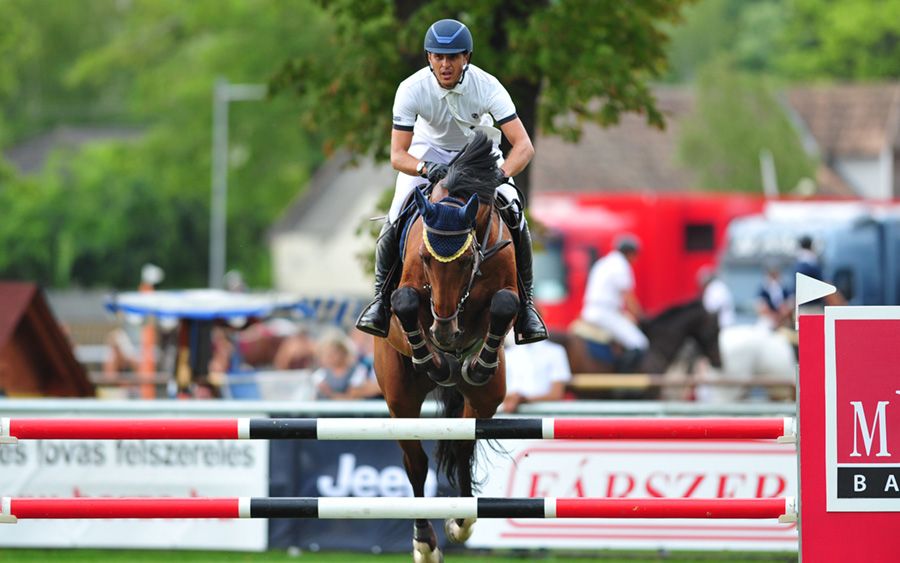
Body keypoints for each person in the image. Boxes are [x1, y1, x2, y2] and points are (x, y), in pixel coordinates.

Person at [355, 18, 547, 345]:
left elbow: (523, 147)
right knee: (395, 215)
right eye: (438, 57)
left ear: (466, 58)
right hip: (428, 152)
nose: (445, 65)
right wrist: (427, 169)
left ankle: (526, 307)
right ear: (429, 58)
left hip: (480, 154)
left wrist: (496, 176)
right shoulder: (411, 89)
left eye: (453, 57)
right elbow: (398, 155)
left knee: (515, 212)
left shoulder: (488, 86)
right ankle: (379, 301)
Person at [579, 234, 647, 369]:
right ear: (630, 253)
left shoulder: (603, 262)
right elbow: (628, 297)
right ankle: (623, 381)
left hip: (591, 310)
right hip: (605, 313)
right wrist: (642, 317)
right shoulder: (621, 265)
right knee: (639, 343)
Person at [501, 335, 572, 413]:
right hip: (510, 414)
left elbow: (556, 394)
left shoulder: (556, 351)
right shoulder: (508, 353)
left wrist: (522, 399)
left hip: (544, 415)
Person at [311, 329, 380, 400]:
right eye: (326, 353)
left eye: (334, 352)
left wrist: (329, 393)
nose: (330, 356)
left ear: (343, 351)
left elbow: (353, 396)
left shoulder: (358, 370)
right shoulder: (319, 375)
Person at [757, 261, 791, 330]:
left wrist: (781, 316)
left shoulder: (784, 289)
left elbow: (789, 305)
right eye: (771, 275)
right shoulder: (764, 290)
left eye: (775, 275)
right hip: (768, 320)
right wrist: (772, 316)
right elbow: (761, 307)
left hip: (782, 321)